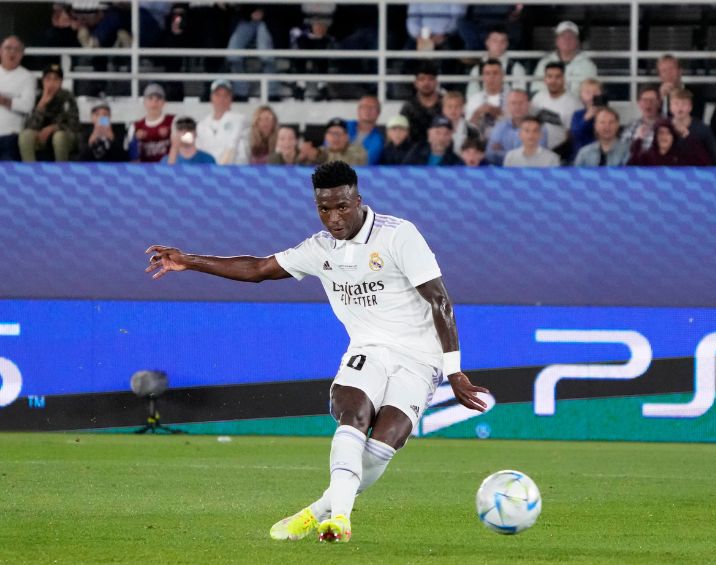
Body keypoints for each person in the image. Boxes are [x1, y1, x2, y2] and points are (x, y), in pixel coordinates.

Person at [145, 160, 488, 544]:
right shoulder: (319, 248)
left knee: (380, 448)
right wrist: (189, 261)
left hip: (418, 359)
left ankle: (316, 512)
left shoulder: (398, 236)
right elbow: (258, 268)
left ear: (358, 200)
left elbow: (440, 301)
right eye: (324, 208)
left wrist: (454, 370)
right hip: (368, 350)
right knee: (352, 414)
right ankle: (339, 520)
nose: (334, 217)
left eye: (341, 206)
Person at [18, 64, 79, 162]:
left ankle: (62, 172)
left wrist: (53, 128)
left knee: (59, 137)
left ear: (61, 82)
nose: (52, 83)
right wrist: (41, 104)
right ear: (43, 81)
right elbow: (29, 126)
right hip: (42, 137)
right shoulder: (37, 97)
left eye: (56, 79)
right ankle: (30, 171)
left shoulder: (67, 97)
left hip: (64, 137)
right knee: (25, 136)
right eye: (48, 79)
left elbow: (73, 125)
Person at [226, 4, 279, 100]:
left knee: (266, 56)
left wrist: (264, 12)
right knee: (233, 55)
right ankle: (240, 92)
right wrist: (250, 12)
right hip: (245, 19)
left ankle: (271, 93)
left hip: (270, 20)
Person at [532, 21, 597, 97]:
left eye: (571, 37)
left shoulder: (588, 65)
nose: (567, 40)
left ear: (577, 42)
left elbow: (593, 93)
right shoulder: (544, 63)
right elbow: (537, 90)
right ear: (557, 41)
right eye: (563, 36)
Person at [485, 90, 546, 166]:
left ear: (528, 104)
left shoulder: (540, 128)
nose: (517, 107)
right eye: (513, 103)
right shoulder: (500, 126)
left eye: (521, 103)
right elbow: (490, 155)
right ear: (508, 106)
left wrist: (503, 152)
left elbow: (535, 156)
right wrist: (521, 153)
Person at [531, 61, 580, 152]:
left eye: (557, 77)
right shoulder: (537, 98)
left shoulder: (574, 103)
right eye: (549, 76)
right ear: (545, 79)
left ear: (564, 79)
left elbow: (572, 136)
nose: (553, 81)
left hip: (561, 151)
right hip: (537, 149)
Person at [196, 79, 248, 165]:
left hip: (232, 171)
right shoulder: (202, 125)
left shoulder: (240, 120)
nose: (221, 99)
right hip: (207, 173)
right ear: (211, 98)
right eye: (218, 95)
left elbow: (234, 149)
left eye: (225, 95)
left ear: (231, 98)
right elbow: (198, 153)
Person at [466, 27, 527, 100]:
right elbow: (471, 97)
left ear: (507, 44)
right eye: (495, 41)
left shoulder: (516, 68)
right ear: (487, 42)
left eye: (503, 41)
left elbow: (519, 96)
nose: (499, 44)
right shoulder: (477, 69)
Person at [0, 35, 35, 161]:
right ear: (0, 51)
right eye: (8, 48)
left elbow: (27, 106)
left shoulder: (27, 77)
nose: (12, 52)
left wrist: (4, 100)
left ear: (22, 54)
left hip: (10, 135)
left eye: (16, 49)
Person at [669, 88, 716, 167]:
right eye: (676, 103)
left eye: (684, 104)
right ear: (670, 107)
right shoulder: (664, 127)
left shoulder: (702, 128)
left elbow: (715, 155)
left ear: (690, 107)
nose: (680, 107)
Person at [126, 83, 175, 163]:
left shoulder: (173, 121)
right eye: (150, 98)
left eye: (158, 99)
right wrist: (136, 140)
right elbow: (131, 157)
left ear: (164, 102)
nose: (154, 103)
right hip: (145, 172)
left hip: (169, 170)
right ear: (144, 102)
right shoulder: (135, 126)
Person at [465, 59, 509, 140]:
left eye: (495, 73)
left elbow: (517, 125)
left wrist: (498, 113)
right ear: (483, 77)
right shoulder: (474, 99)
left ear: (503, 76)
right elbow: (469, 127)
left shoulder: (511, 98)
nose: (491, 77)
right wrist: (477, 113)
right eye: (487, 74)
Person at [400, 61, 442, 145]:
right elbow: (402, 133)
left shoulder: (445, 104)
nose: (426, 83)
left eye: (430, 79)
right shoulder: (409, 107)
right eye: (422, 79)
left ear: (436, 82)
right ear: (415, 83)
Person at [656, 54, 705, 120]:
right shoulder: (654, 95)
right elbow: (652, 120)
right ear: (660, 76)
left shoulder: (695, 93)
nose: (668, 73)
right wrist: (662, 99)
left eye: (671, 69)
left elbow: (696, 119)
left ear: (680, 71)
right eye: (664, 71)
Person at [567, 78, 604, 164]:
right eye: (587, 92)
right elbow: (575, 133)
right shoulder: (578, 114)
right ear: (581, 96)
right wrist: (586, 118)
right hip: (581, 156)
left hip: (601, 156)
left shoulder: (607, 113)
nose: (592, 95)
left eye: (595, 92)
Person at [621, 86, 661, 163]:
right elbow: (623, 151)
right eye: (645, 100)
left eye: (652, 100)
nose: (648, 104)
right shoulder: (631, 126)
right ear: (639, 103)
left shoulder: (667, 125)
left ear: (659, 103)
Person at [347, 95, 384, 166]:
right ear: (358, 110)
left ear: (378, 113)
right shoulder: (344, 126)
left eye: (372, 107)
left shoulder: (379, 139)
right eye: (364, 107)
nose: (368, 110)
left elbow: (369, 160)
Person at [441, 91, 479, 158]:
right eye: (449, 107)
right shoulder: (436, 129)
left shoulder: (472, 130)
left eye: (457, 106)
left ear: (462, 109)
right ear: (443, 109)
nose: (453, 110)